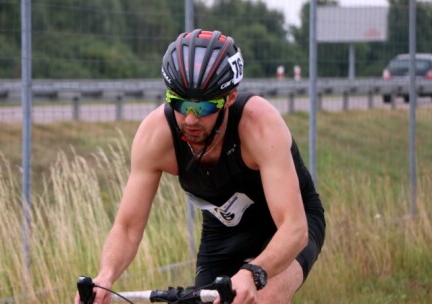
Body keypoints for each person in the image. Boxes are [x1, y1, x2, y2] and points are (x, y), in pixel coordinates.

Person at [76, 29, 326, 304]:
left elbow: (294, 228)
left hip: (290, 227)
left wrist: (252, 272)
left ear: (229, 98)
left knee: (259, 299)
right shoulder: (156, 135)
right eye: (180, 104)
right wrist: (105, 276)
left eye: (204, 108)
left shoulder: (259, 125)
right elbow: (127, 227)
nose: (191, 119)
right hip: (224, 231)